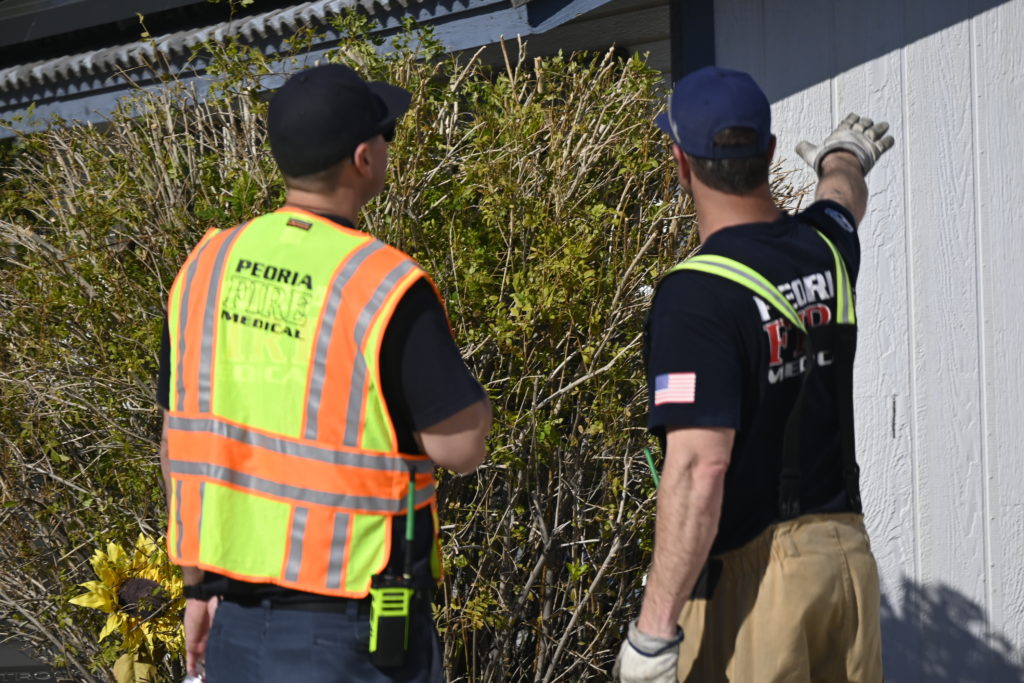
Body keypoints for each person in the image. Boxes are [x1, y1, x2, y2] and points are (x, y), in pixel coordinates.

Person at [156, 63, 492, 682]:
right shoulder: (382, 284)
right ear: (363, 159)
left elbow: (181, 443)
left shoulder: (206, 267)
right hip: (350, 634)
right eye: (386, 137)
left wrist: (197, 587)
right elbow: (461, 447)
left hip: (233, 623)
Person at [614, 66, 894, 682]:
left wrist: (653, 634)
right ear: (768, 152)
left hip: (758, 583)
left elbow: (699, 468)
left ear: (681, 162)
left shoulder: (695, 295)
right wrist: (845, 154)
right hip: (845, 561)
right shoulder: (825, 247)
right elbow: (841, 198)